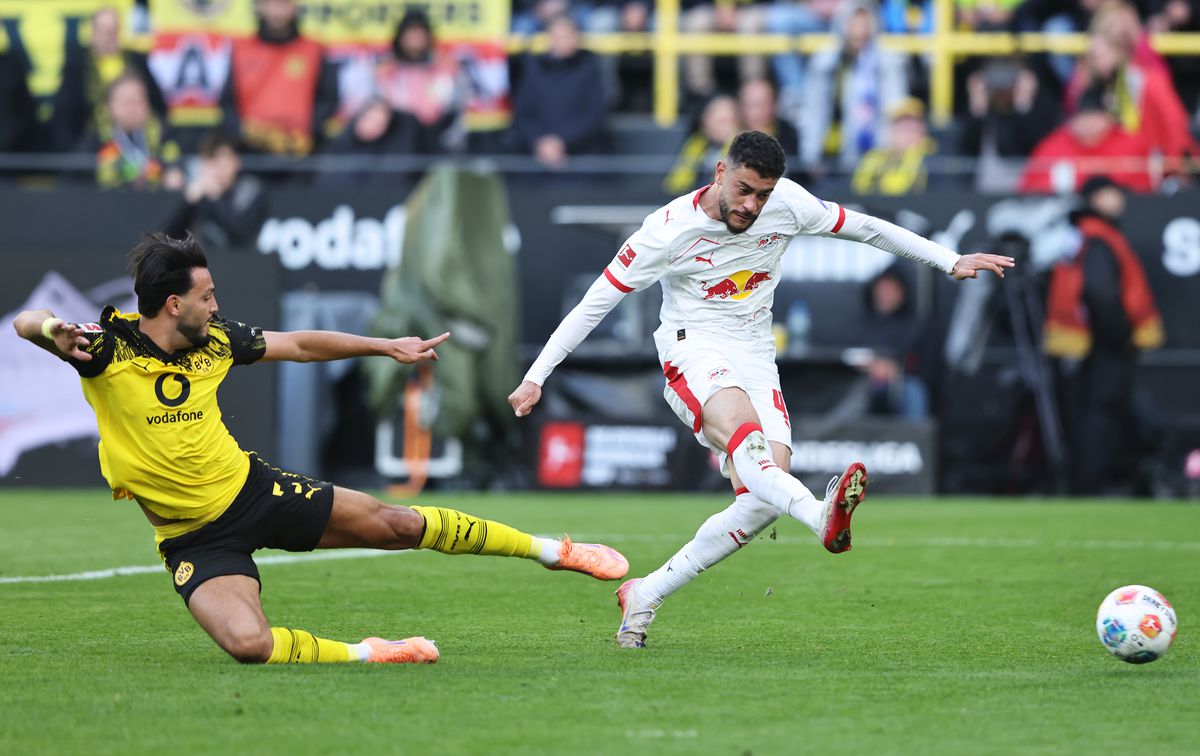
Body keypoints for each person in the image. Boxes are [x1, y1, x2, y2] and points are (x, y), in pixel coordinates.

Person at [11, 233, 629, 665]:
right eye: (207, 296)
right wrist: (48, 329)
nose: (217, 305)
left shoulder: (218, 339)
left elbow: (302, 345)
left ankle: (552, 551)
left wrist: (385, 346)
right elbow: (23, 322)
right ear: (174, 305)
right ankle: (370, 652)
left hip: (254, 493)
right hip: (192, 539)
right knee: (249, 646)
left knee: (397, 524)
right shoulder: (107, 349)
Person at [507, 131, 1014, 648]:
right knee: (749, 445)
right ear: (720, 173)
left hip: (755, 356)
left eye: (763, 195)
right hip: (693, 348)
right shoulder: (667, 230)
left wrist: (948, 260)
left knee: (764, 498)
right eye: (744, 190)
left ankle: (646, 593)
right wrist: (537, 376)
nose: (752, 205)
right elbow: (596, 301)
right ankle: (819, 514)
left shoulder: (788, 203)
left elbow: (864, 228)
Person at [1042, 176, 1164, 493]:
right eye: (1111, 194)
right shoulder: (1098, 238)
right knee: (1100, 415)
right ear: (1094, 199)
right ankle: (1088, 484)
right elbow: (1099, 293)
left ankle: (1090, 481)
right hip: (1103, 344)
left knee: (1096, 413)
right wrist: (1121, 335)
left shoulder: (1083, 235)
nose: (1118, 200)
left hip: (1085, 343)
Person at [220, 0, 338, 157]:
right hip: (250, 154)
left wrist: (305, 134)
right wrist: (244, 134)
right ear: (259, 7)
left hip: (301, 155)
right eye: (271, 3)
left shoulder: (314, 49)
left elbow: (328, 98)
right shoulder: (242, 49)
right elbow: (228, 101)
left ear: (295, 7)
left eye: (283, 4)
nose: (277, 12)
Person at [800, 0, 909, 171]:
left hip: (876, 152)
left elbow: (895, 105)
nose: (859, 31)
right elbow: (814, 109)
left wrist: (889, 150)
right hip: (831, 149)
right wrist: (810, 154)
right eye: (854, 24)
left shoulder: (886, 62)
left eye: (864, 24)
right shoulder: (827, 62)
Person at [53, 6, 166, 152]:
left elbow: (157, 102)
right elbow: (66, 110)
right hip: (93, 143)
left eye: (113, 30)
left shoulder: (135, 60)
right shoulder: (77, 63)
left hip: (139, 138)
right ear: (93, 32)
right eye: (104, 31)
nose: (109, 36)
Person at [511, 14, 607, 169]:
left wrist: (561, 141)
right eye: (557, 37)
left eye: (566, 37)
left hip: (580, 156)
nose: (561, 42)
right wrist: (540, 142)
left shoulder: (589, 66)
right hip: (537, 156)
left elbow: (594, 112)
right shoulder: (534, 67)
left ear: (576, 38)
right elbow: (523, 112)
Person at [1017, 84, 1152, 194]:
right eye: (1082, 116)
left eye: (1093, 115)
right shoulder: (1053, 146)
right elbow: (1029, 189)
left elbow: (1146, 189)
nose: (1087, 123)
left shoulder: (1130, 144)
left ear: (1108, 118)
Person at [374, 9, 466, 154]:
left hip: (436, 140)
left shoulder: (445, 68)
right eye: (410, 35)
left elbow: (455, 109)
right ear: (400, 38)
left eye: (419, 35)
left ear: (428, 37)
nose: (415, 40)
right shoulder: (385, 70)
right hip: (394, 142)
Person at [163, 131, 267, 250]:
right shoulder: (199, 194)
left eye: (223, 163)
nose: (218, 171)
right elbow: (168, 237)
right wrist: (189, 202)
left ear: (236, 162)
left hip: (242, 259)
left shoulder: (250, 189)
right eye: (212, 164)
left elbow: (241, 234)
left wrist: (215, 197)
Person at [89, 74, 183, 191]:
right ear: (109, 107)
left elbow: (175, 163)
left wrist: (170, 174)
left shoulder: (164, 134)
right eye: (125, 101)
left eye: (138, 100)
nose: (132, 107)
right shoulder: (96, 139)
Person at [850, 97, 935, 195]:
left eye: (912, 129)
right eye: (903, 129)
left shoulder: (933, 160)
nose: (907, 135)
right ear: (892, 131)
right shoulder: (874, 158)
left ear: (923, 131)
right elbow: (855, 189)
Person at [663, 94, 741, 195]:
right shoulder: (696, 144)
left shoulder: (741, 149)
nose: (720, 127)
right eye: (717, 121)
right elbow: (676, 183)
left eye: (725, 121)